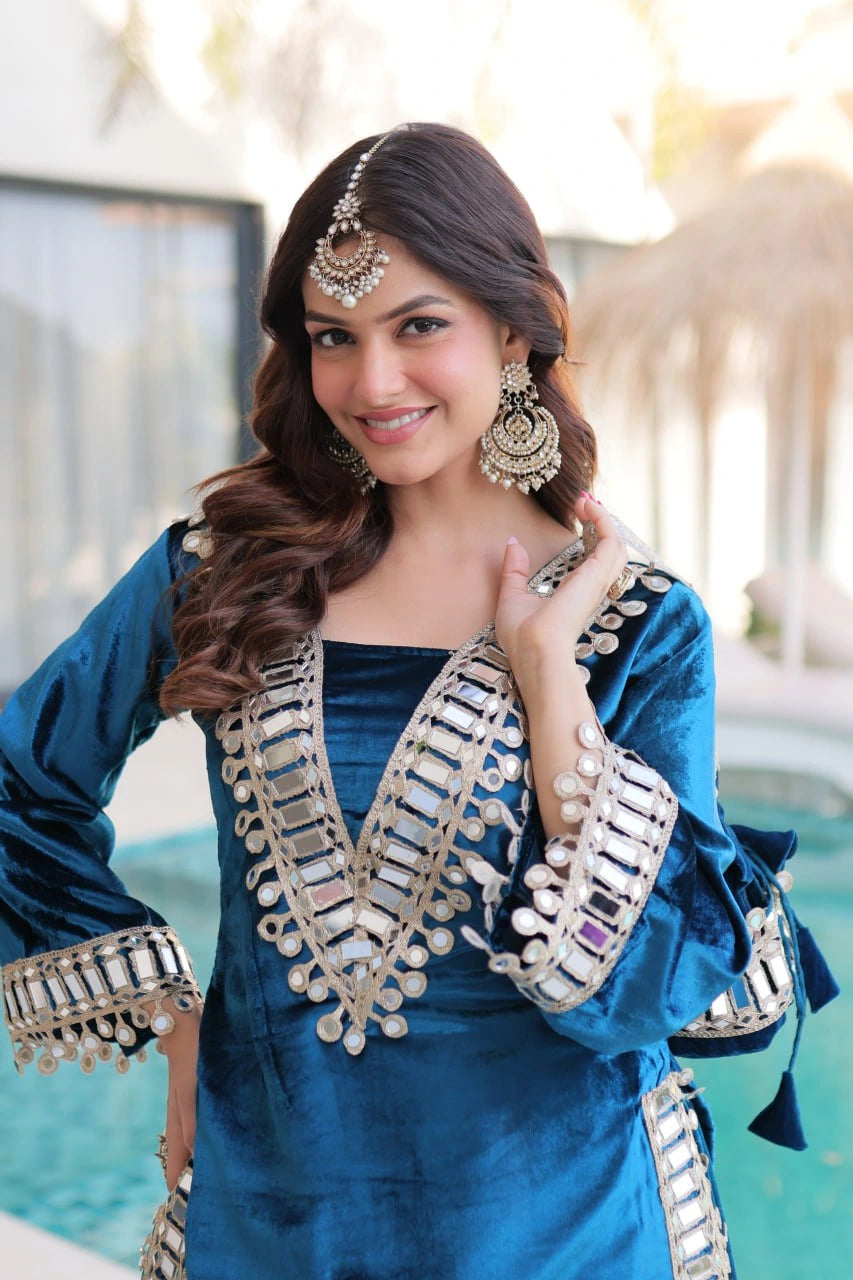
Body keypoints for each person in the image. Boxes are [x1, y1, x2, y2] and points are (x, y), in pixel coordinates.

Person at [0, 123, 835, 1280]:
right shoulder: (226, 568)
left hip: (566, 1239)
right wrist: (170, 1018)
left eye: (419, 326)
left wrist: (548, 683)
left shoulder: (638, 625)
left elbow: (644, 991)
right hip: (266, 1223)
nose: (370, 381)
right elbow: (18, 781)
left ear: (513, 326)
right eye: (332, 336)